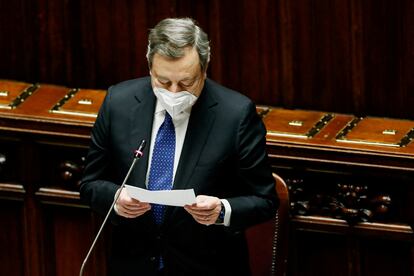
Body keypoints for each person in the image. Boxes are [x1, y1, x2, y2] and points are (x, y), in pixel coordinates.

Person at [80, 17, 279, 276]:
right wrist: (116, 200)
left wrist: (222, 210)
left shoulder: (235, 115)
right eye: (163, 82)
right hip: (133, 264)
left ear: (205, 70)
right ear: (150, 67)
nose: (174, 92)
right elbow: (89, 184)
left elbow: (265, 200)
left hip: (207, 266)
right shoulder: (118, 102)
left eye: (186, 83)